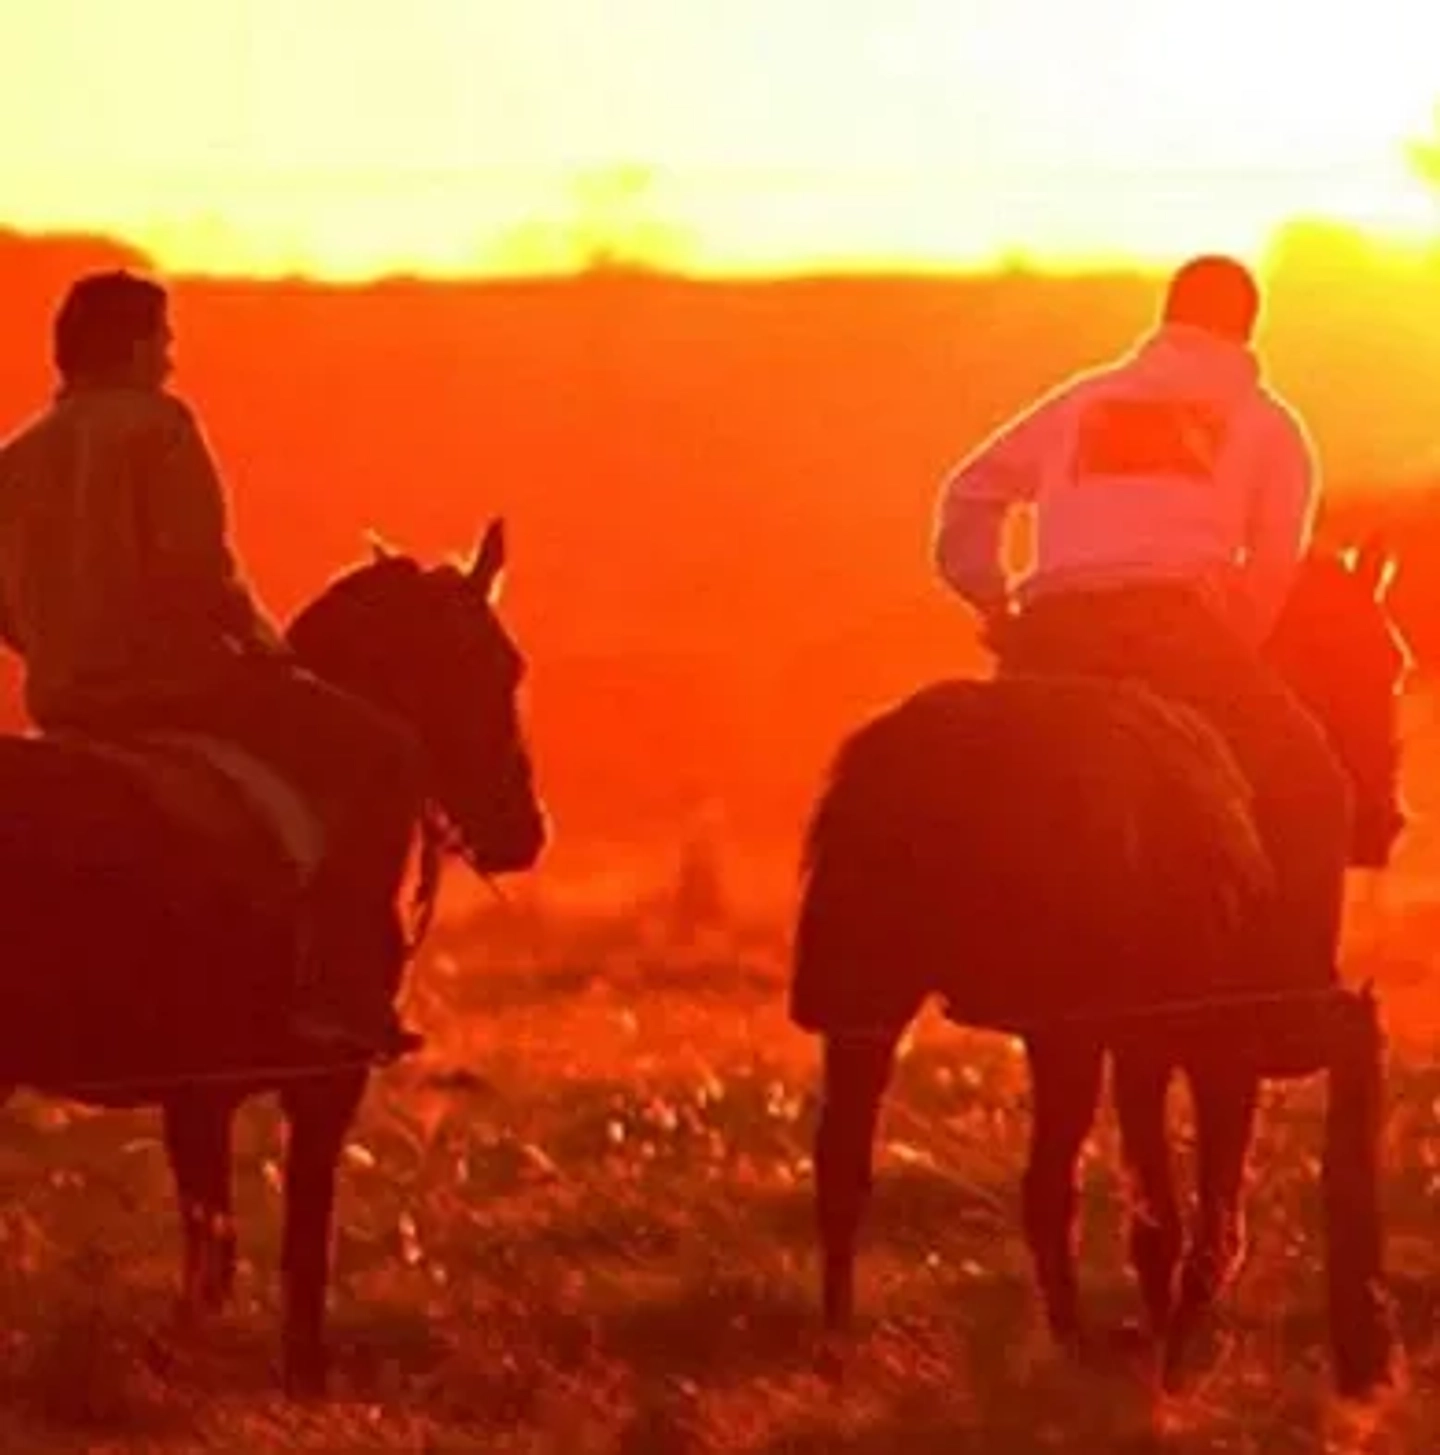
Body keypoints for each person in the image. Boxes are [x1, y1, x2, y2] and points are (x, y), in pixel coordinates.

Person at [0, 270, 423, 1062]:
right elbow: (199, 571)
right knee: (386, 755)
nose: (169, 356)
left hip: (67, 703)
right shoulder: (160, 427)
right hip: (179, 688)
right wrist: (268, 651)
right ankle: (343, 986)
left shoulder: (14, 456)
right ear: (130, 344)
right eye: (163, 338)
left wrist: (63, 648)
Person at [931, 254, 1351, 996]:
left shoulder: (1081, 401)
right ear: (1250, 329)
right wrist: (1233, 645)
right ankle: (1292, 992)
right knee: (1314, 783)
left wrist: (992, 597)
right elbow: (1273, 563)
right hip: (1174, 630)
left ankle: (981, 967)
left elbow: (970, 491)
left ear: (1165, 316)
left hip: (1052, 634)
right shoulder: (1270, 426)